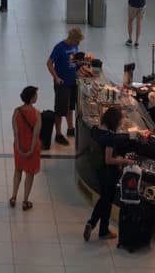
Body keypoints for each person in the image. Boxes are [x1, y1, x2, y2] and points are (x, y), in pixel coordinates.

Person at [83, 105, 128, 242]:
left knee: (104, 199)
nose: (121, 122)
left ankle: (97, 226)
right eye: (120, 119)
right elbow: (109, 160)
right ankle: (99, 228)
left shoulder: (96, 130)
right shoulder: (110, 137)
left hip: (98, 170)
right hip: (108, 172)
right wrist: (124, 160)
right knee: (106, 201)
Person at [46, 27, 84, 145]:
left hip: (73, 82)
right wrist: (56, 78)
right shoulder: (59, 48)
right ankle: (58, 133)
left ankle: (70, 128)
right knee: (60, 109)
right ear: (72, 39)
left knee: (70, 107)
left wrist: (80, 66)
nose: (78, 44)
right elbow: (49, 63)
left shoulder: (74, 46)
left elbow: (73, 61)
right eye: (77, 41)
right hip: (62, 83)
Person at [10, 86, 42, 211]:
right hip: (31, 147)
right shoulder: (37, 114)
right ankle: (25, 201)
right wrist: (31, 149)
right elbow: (35, 134)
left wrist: (18, 146)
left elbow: (15, 132)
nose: (37, 97)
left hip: (19, 145)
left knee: (17, 170)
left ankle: (13, 197)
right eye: (36, 95)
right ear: (32, 97)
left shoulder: (16, 111)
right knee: (29, 174)